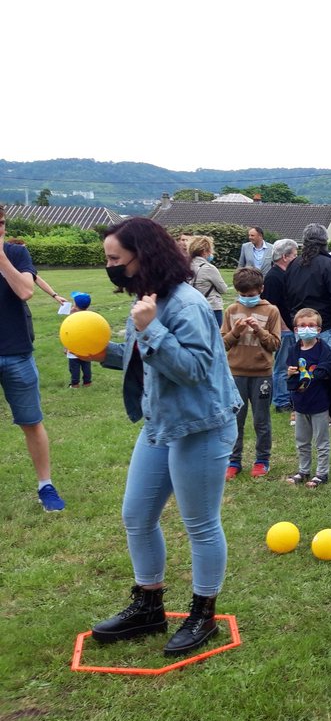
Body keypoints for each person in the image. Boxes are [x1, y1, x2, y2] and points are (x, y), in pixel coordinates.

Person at [90, 216, 241, 656]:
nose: (111, 267)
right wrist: (103, 352)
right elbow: (146, 358)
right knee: (137, 515)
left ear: (144, 255)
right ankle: (149, 605)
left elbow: (194, 369)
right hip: (161, 423)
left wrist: (150, 328)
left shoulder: (187, 305)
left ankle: (203, 614)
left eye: (115, 259)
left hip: (202, 425)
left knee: (200, 524)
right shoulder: (148, 298)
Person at [0, 206, 64, 511]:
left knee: (32, 422)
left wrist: (1, 258)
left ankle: (45, 485)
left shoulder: (15, 253)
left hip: (16, 352)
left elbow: (26, 291)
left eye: (1, 223)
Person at [221, 267, 282, 479]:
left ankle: (262, 460)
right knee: (235, 420)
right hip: (236, 374)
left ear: (261, 289)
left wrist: (259, 330)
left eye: (251, 295)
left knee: (261, 420)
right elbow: (222, 344)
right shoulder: (231, 311)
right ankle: (233, 461)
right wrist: (235, 332)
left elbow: (275, 344)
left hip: (261, 374)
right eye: (243, 295)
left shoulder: (271, 311)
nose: (247, 299)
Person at [285, 224, 331, 426]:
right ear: (325, 241)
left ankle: (298, 410)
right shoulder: (329, 265)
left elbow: (288, 296)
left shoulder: (294, 264)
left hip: (301, 325)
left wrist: (295, 321)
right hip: (325, 325)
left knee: (302, 368)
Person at [285, 308, 331, 488]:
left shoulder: (324, 349)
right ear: (295, 329)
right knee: (302, 441)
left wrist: (309, 376)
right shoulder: (293, 350)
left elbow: (326, 371)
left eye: (311, 325)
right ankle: (303, 470)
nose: (306, 328)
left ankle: (322, 473)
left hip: (319, 402)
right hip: (300, 403)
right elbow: (290, 374)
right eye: (302, 325)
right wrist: (290, 373)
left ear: (318, 329)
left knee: (321, 441)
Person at [263, 239, 297, 413]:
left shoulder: (284, 274)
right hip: (283, 329)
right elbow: (272, 306)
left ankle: (288, 397)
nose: (296, 258)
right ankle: (281, 401)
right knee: (282, 366)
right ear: (285, 257)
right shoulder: (273, 277)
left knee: (289, 364)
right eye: (294, 255)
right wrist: (283, 328)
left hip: (289, 327)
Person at [186, 235, 227, 327]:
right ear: (204, 251)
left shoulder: (186, 266)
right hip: (211, 307)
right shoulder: (209, 268)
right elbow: (223, 289)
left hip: (193, 307)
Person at [66, 292, 95, 389]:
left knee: (74, 367)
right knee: (86, 365)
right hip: (86, 347)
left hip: (73, 347)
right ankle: (87, 382)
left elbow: (67, 331)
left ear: (75, 305)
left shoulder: (72, 317)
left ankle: (75, 384)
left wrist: (66, 346)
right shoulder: (90, 316)